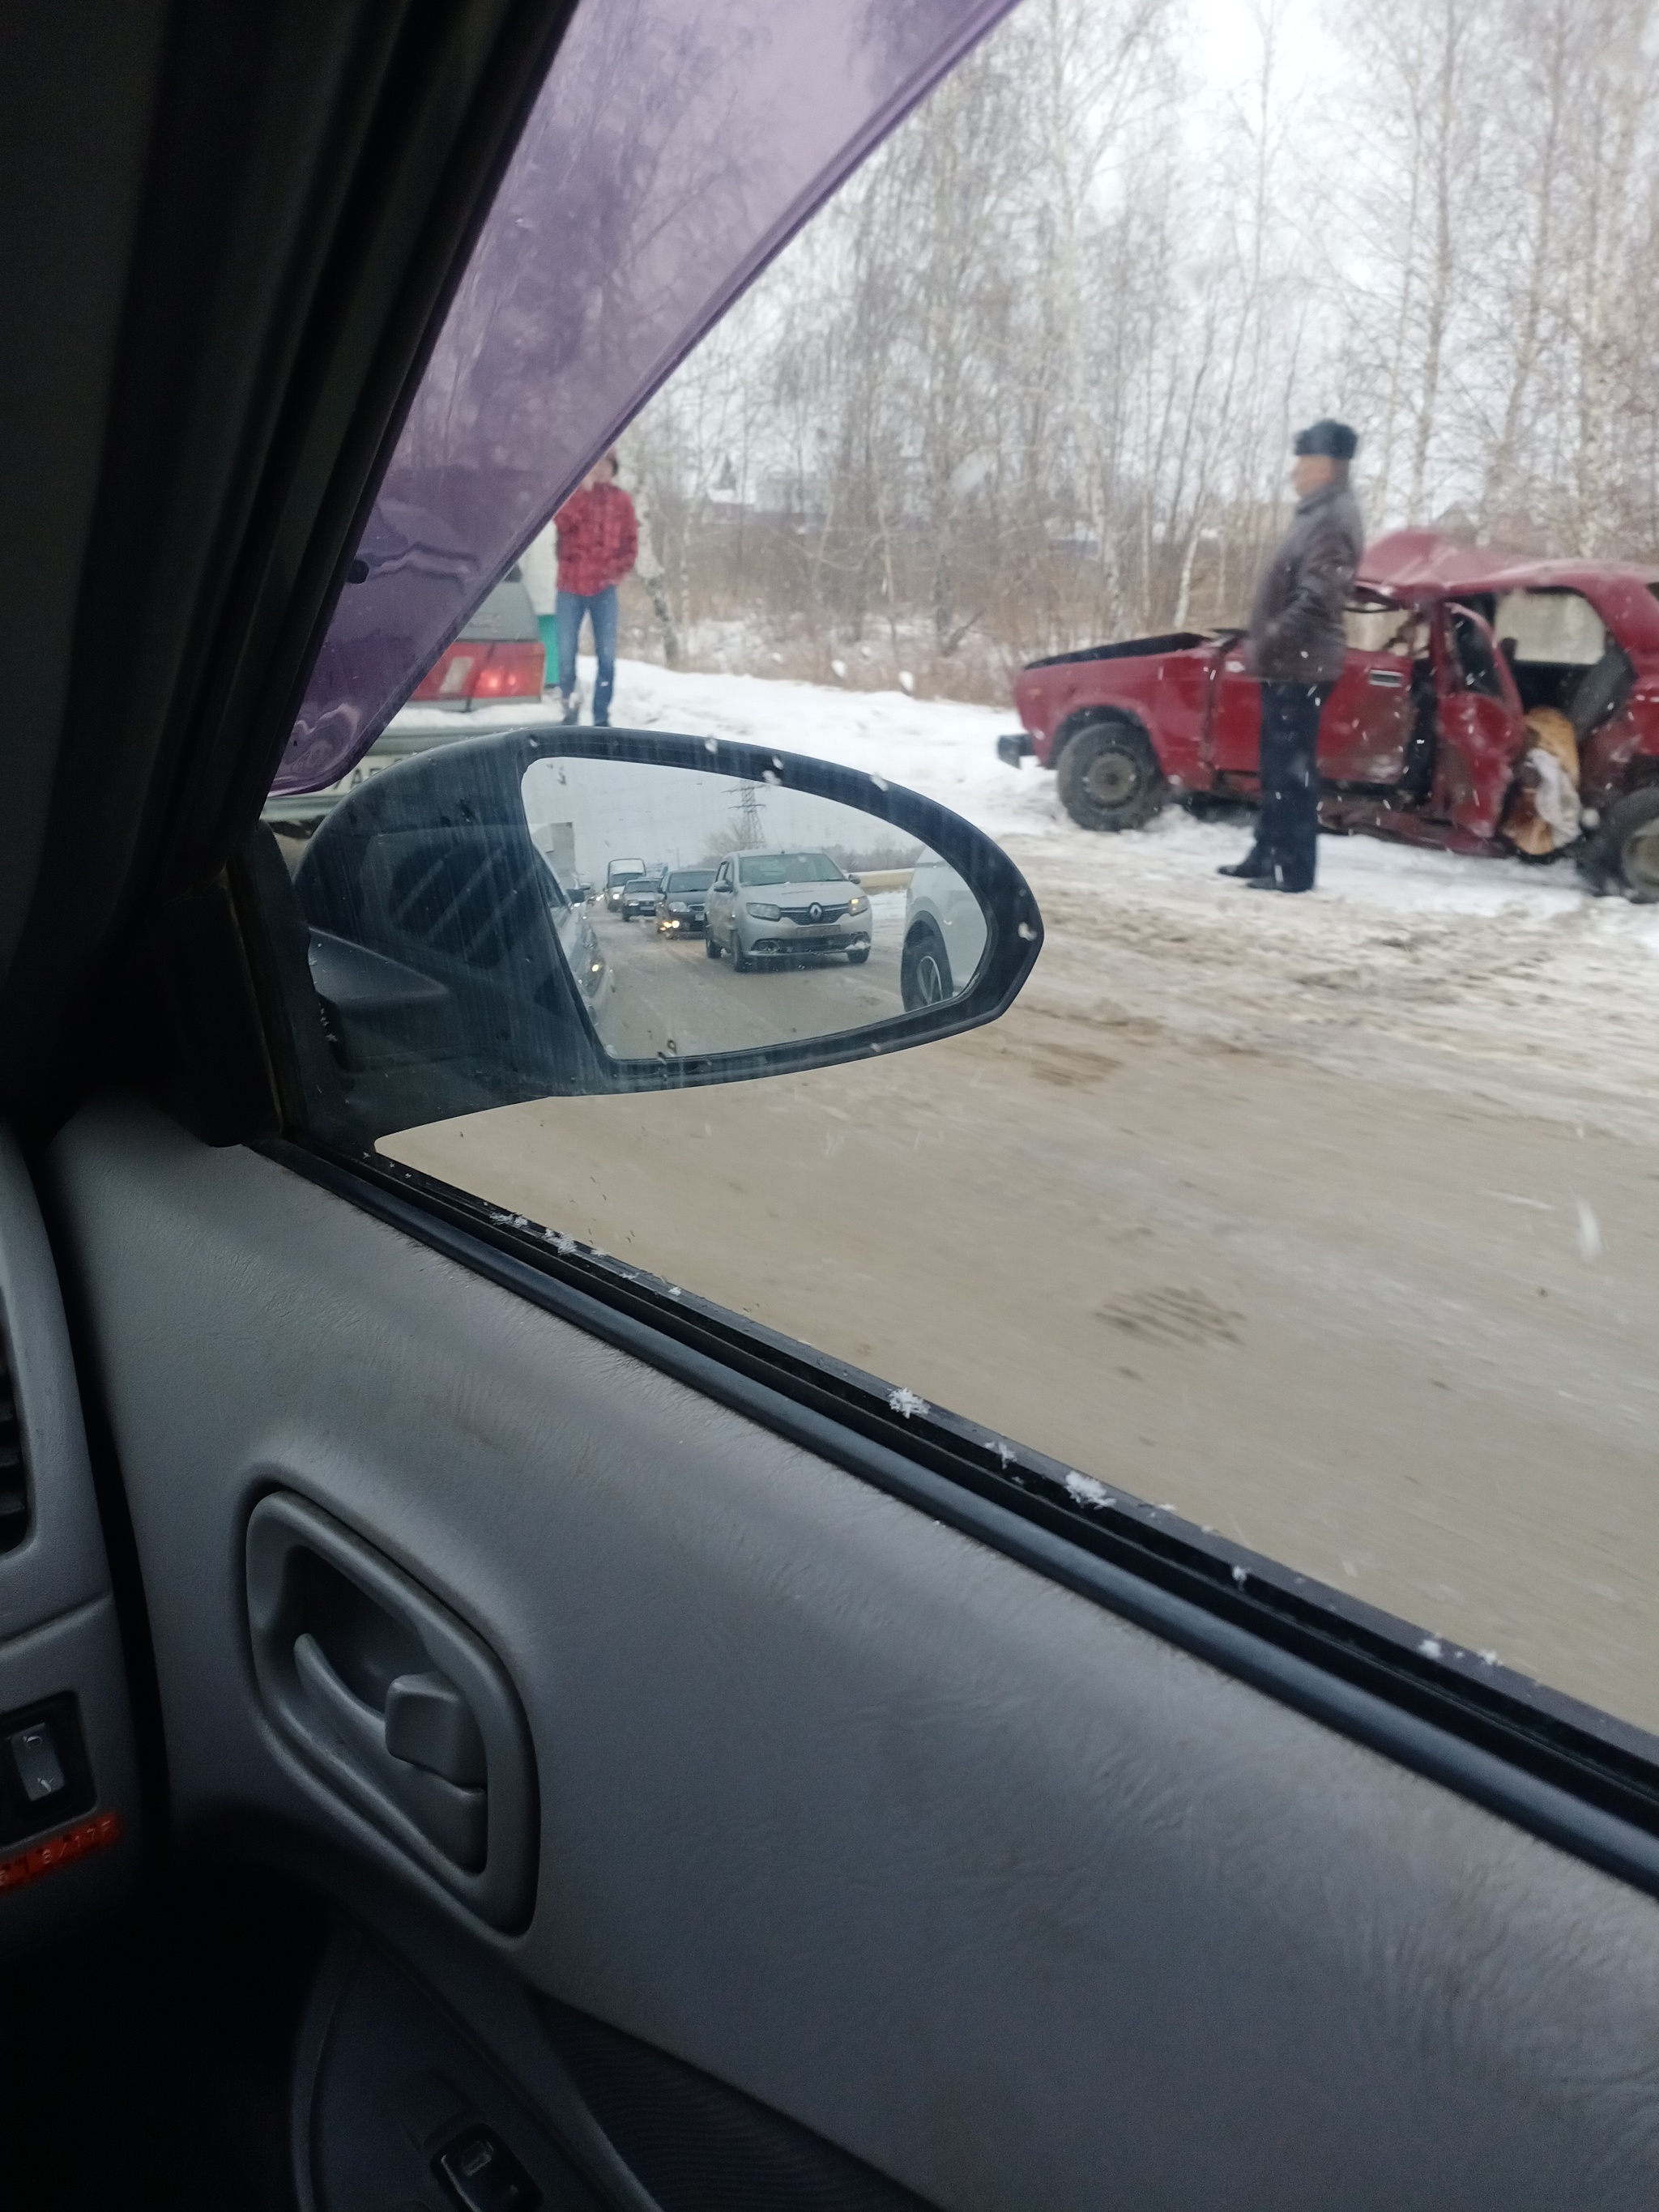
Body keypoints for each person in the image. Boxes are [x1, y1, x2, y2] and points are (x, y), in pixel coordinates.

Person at [1220, 419, 1364, 893]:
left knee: (1293, 774)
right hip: (1290, 662)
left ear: (1325, 465)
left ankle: (1295, 871)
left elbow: (1319, 597)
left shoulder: (1334, 518)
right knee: (1277, 768)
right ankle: (1266, 855)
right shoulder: (1316, 513)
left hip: (1302, 663)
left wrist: (1269, 639)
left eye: (1302, 463)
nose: (1294, 473)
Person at [552, 449, 638, 726]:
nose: (601, 469)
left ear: (614, 468)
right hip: (570, 588)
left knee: (607, 658)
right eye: (596, 463)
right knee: (566, 657)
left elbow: (630, 545)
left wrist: (613, 573)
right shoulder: (572, 495)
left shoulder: (622, 501)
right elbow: (561, 522)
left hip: (604, 591)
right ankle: (571, 713)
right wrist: (582, 492)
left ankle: (602, 718)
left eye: (607, 464)